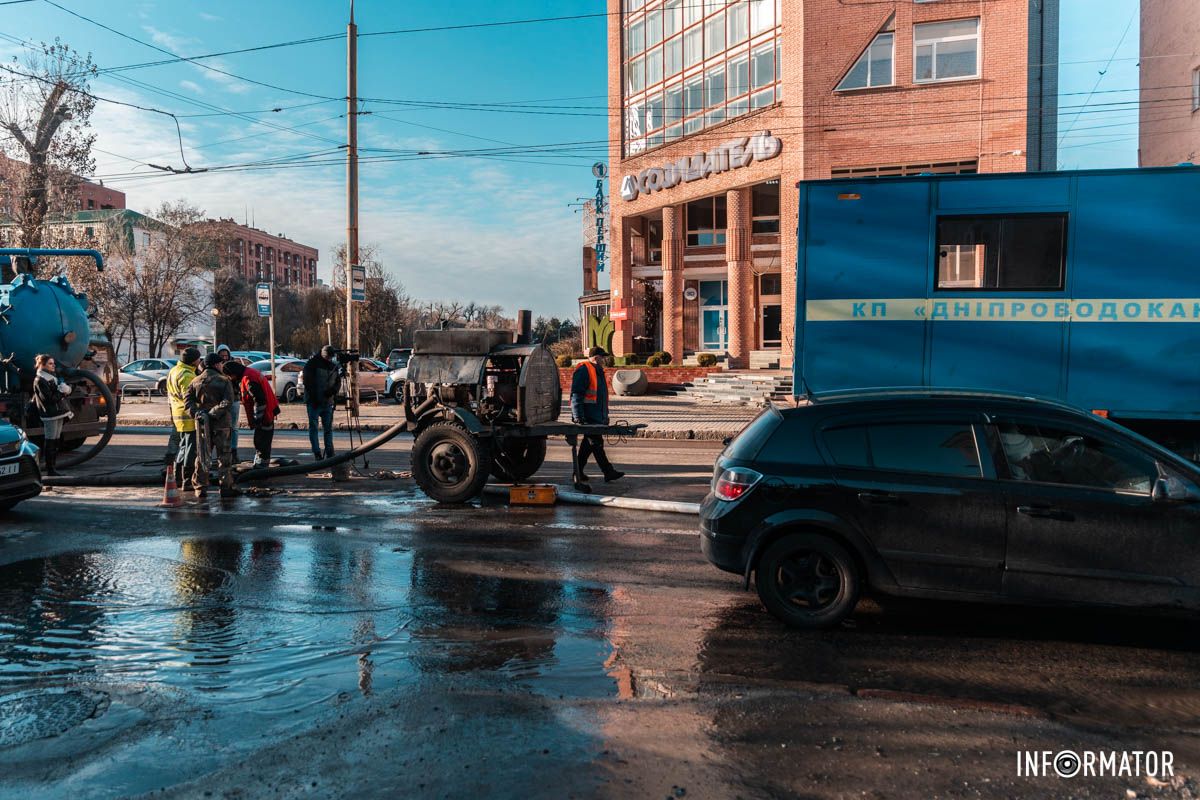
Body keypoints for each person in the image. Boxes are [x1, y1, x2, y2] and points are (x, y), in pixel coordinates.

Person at [569, 346, 624, 490]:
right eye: (603, 357)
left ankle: (578, 471)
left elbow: (600, 398)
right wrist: (578, 417)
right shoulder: (584, 370)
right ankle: (608, 471)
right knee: (596, 444)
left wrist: (604, 417)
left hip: (596, 416)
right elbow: (576, 394)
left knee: (589, 445)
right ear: (597, 358)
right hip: (587, 417)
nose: (605, 359)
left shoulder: (598, 372)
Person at [187, 353, 240, 498]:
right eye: (221, 364)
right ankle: (226, 487)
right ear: (216, 365)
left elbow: (188, 403)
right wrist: (213, 413)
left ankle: (200, 487)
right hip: (221, 425)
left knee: (203, 456)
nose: (222, 366)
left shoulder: (195, 381)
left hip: (203, 426)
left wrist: (198, 414)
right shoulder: (224, 381)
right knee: (224, 457)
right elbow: (228, 401)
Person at [222, 360, 280, 468]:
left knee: (261, 441)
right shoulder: (248, 374)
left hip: (266, 414)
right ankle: (261, 463)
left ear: (233, 373)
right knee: (261, 440)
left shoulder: (248, 379)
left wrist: (257, 419)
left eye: (229, 376)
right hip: (267, 412)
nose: (230, 379)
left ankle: (261, 467)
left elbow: (260, 400)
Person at [166, 347, 203, 494]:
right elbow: (189, 398)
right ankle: (187, 480)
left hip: (178, 415)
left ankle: (177, 477)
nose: (200, 361)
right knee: (190, 450)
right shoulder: (187, 375)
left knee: (183, 447)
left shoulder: (174, 370)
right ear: (194, 360)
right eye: (199, 359)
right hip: (188, 416)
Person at [32, 354, 72, 476]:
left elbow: (56, 396)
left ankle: (53, 468)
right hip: (50, 414)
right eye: (50, 363)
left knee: (55, 441)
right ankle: (50, 470)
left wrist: (65, 390)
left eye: (53, 363)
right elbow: (49, 399)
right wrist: (62, 391)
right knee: (50, 441)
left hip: (58, 413)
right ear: (42, 365)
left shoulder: (51, 378)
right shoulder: (40, 380)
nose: (53, 365)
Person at [302, 346, 339, 460]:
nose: (329, 359)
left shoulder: (333, 366)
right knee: (314, 428)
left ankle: (329, 452)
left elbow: (338, 382)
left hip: (327, 402)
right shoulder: (312, 364)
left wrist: (333, 391)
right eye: (328, 357)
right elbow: (307, 383)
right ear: (323, 355)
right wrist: (316, 397)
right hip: (314, 403)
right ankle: (317, 453)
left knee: (327, 429)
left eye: (330, 357)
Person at [215, 344, 241, 463]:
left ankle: (234, 451)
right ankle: (223, 453)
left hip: (234, 399)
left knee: (234, 427)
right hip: (220, 400)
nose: (224, 358)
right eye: (222, 355)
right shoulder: (216, 366)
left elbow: (239, 381)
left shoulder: (234, 366)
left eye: (226, 355)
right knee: (222, 427)